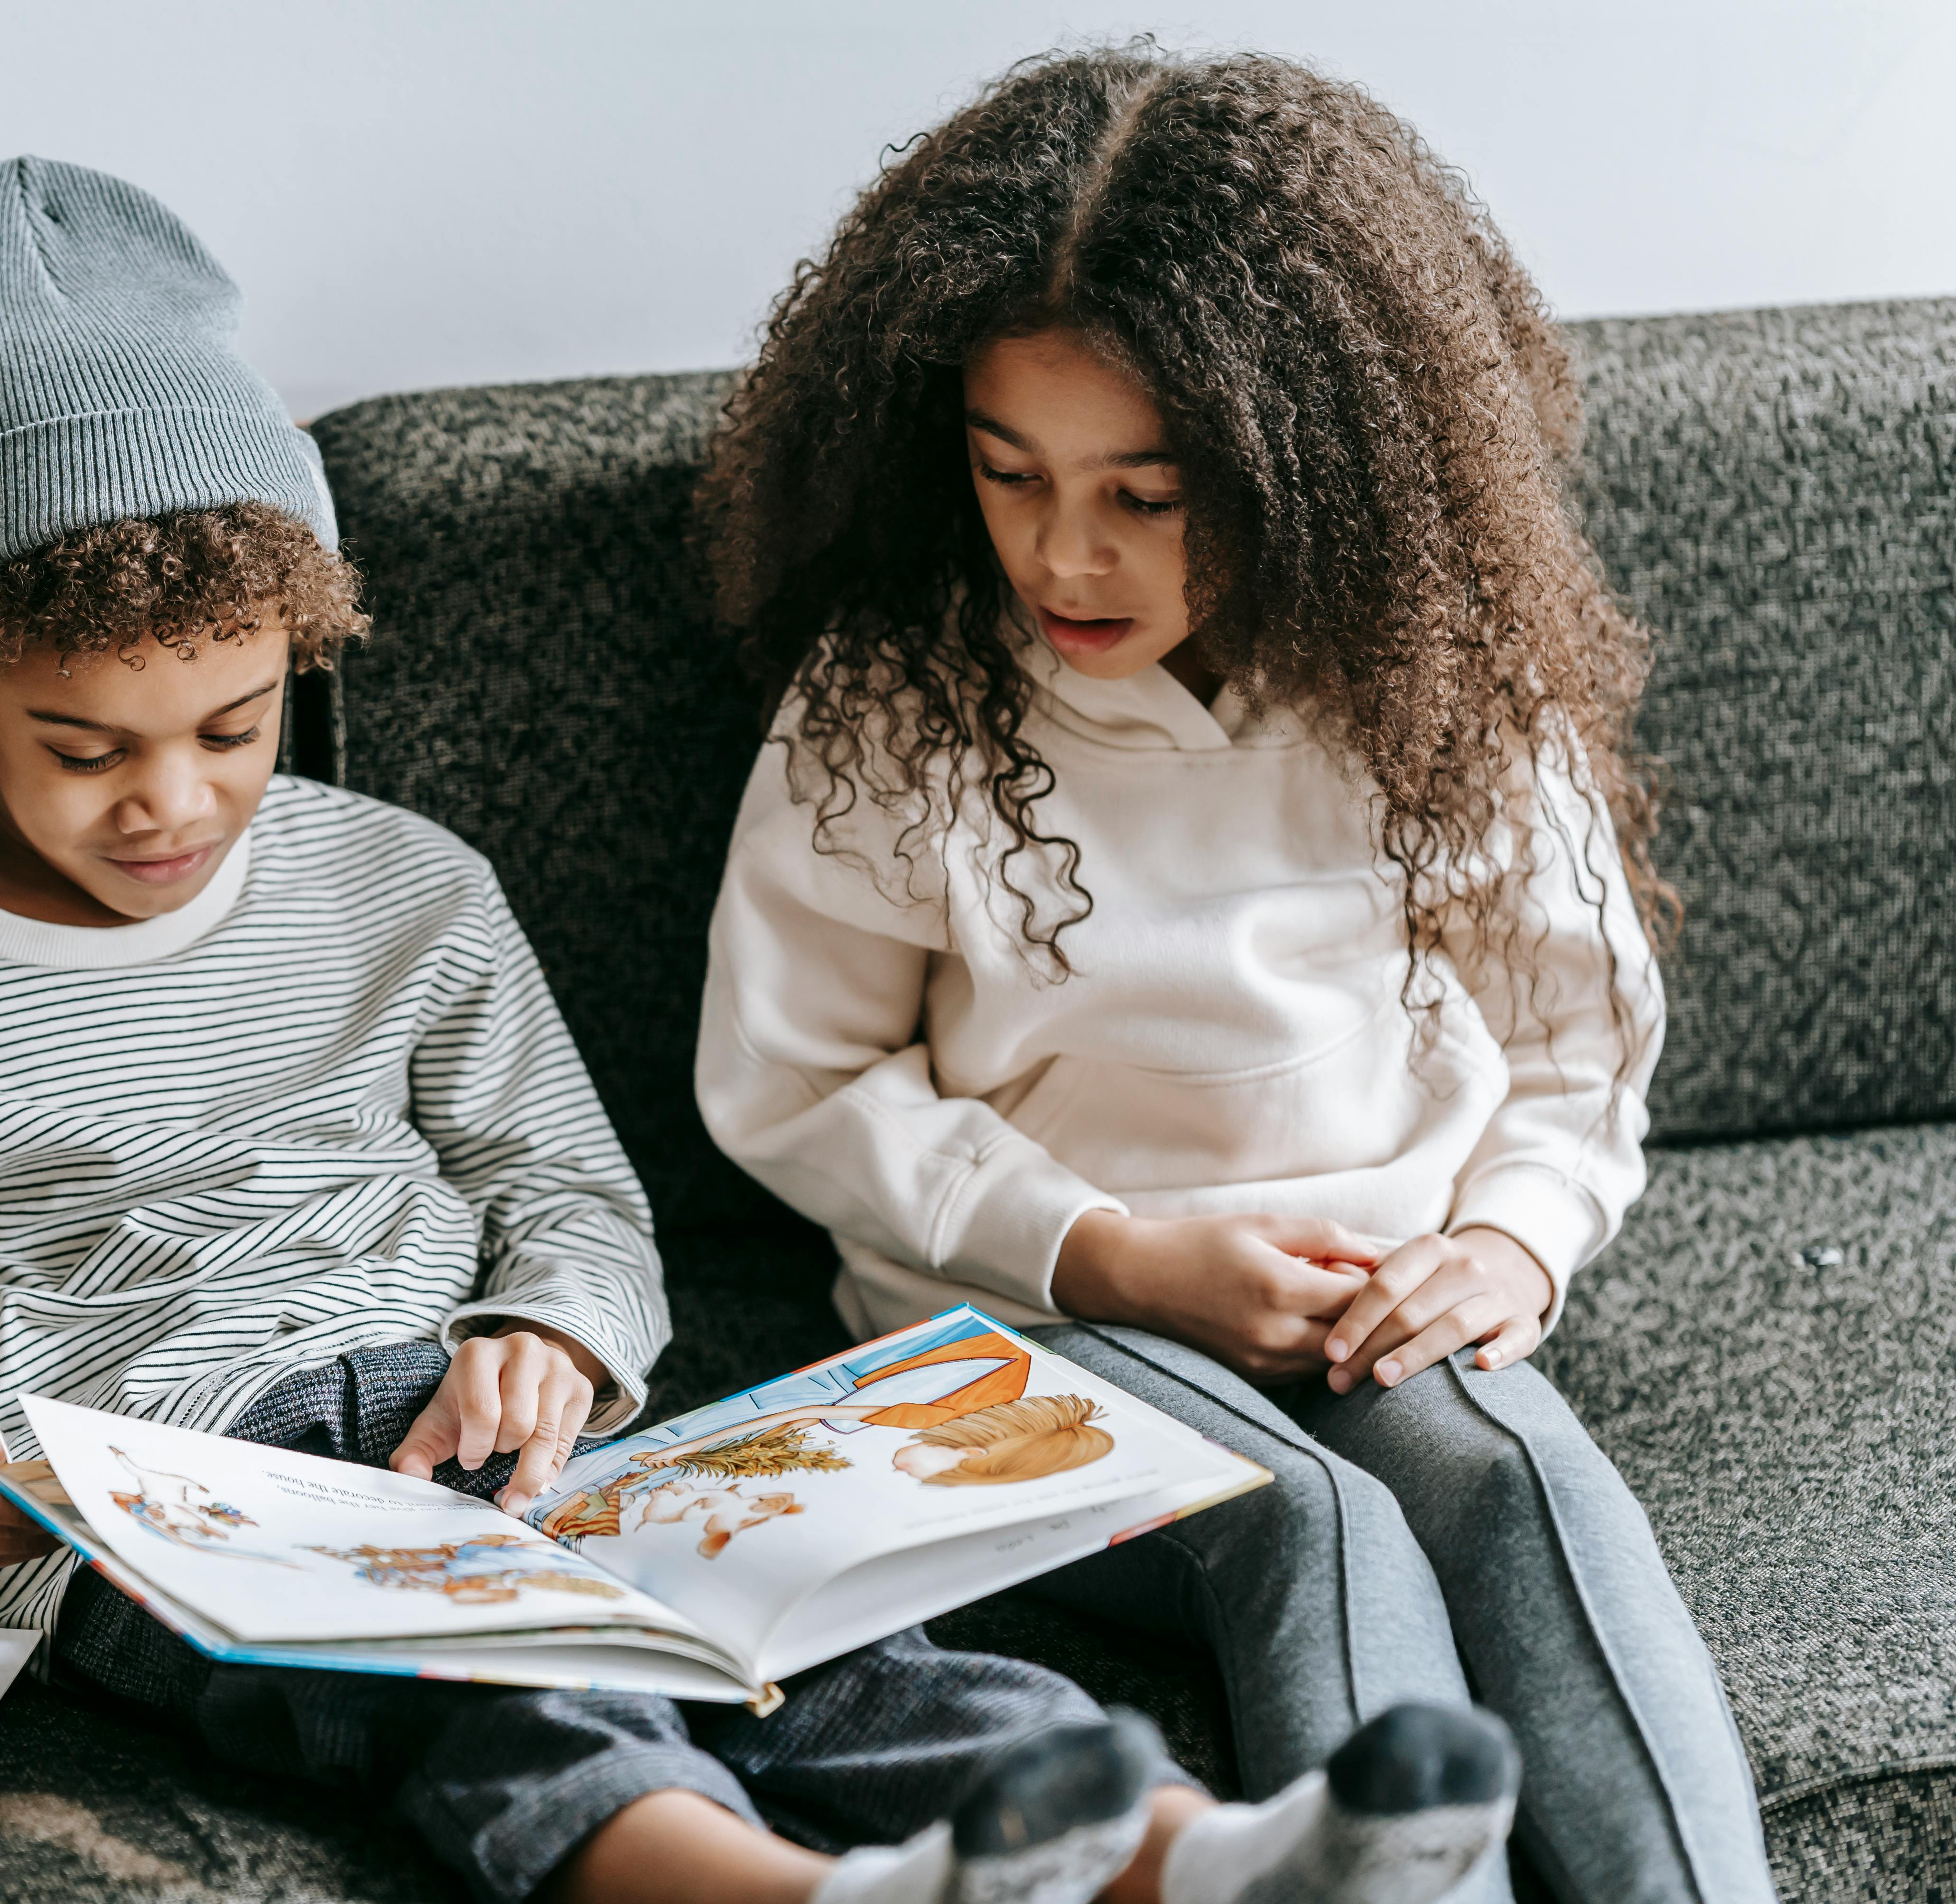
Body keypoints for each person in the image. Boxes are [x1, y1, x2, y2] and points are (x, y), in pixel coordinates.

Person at [0, 155, 1518, 1904]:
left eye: (239, 729)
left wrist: (549, 1333)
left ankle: (1176, 1857)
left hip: (496, 1434)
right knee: (486, 1677)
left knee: (820, 1628)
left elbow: (568, 1193)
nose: (170, 805)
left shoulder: (401, 889)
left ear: (298, 662)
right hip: (171, 1507)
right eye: (83, 751)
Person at [693, 44, 1775, 1904]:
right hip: (1014, 1323)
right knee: (1316, 1527)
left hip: (1373, 1291)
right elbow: (794, 1079)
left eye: (1146, 492)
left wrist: (1508, 1239)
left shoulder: (1438, 683)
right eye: (1008, 473)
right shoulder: (896, 705)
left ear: (1309, 467)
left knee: (1522, 1490)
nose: (1063, 551)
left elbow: (1574, 1046)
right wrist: (1109, 1251)